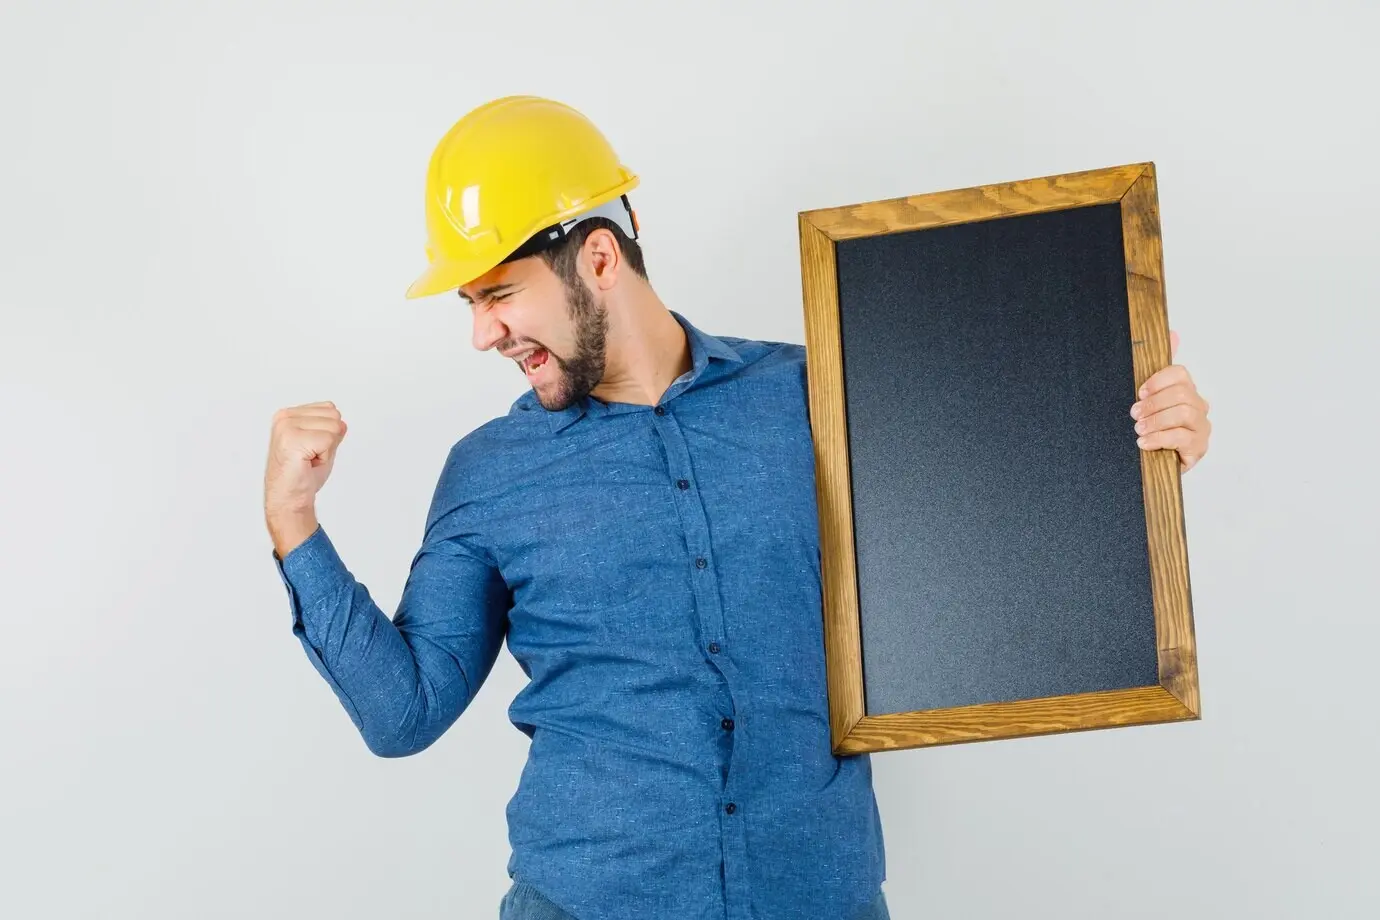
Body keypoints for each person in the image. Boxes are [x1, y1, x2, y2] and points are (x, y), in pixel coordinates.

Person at [263, 95, 1213, 920]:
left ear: (598, 258)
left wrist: (1144, 444)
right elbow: (405, 712)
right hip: (587, 904)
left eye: (499, 295)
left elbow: (998, 516)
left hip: (820, 896)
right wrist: (294, 522)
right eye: (471, 303)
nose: (482, 334)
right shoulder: (489, 472)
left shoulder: (822, 396)